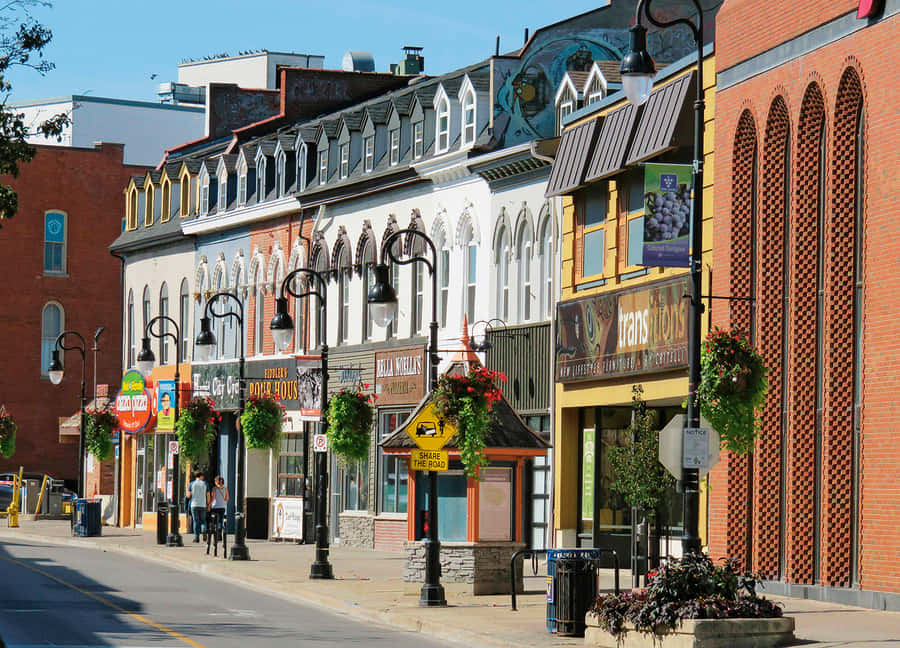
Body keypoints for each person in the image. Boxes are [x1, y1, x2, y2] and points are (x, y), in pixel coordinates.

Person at [187, 472, 208, 543]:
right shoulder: (205, 484)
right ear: (201, 476)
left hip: (194, 505)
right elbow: (208, 495)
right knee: (203, 520)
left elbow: (188, 495)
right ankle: (204, 530)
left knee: (196, 521)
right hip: (203, 504)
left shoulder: (191, 484)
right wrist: (208, 504)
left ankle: (196, 537)